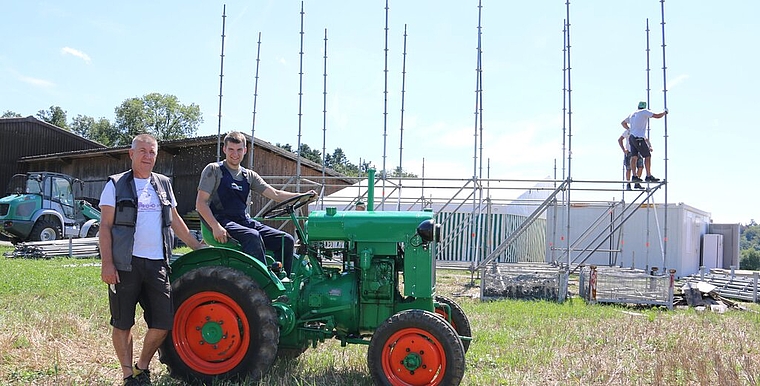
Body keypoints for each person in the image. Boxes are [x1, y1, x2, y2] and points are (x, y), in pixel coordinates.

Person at [99, 134, 204, 386]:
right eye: (143, 151)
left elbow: (175, 221)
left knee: (163, 322)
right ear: (131, 154)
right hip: (125, 265)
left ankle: (142, 367)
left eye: (152, 152)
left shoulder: (163, 184)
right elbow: (105, 226)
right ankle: (128, 375)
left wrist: (197, 246)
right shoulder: (115, 185)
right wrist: (107, 263)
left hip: (157, 263)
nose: (148, 156)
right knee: (123, 323)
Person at [196, 131, 317, 275]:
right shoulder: (214, 170)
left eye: (239, 150)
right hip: (223, 221)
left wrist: (303, 196)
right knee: (252, 236)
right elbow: (200, 203)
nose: (235, 154)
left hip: (243, 220)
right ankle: (264, 281)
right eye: (231, 150)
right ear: (224, 149)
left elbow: (276, 194)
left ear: (245, 150)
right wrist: (215, 226)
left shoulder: (249, 175)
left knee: (286, 240)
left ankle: (285, 281)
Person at [621, 101, 667, 184]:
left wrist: (629, 129)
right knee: (647, 156)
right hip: (639, 137)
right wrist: (664, 112)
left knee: (634, 157)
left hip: (632, 137)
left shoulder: (632, 113)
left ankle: (634, 176)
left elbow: (623, 123)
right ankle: (648, 176)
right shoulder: (644, 112)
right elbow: (657, 116)